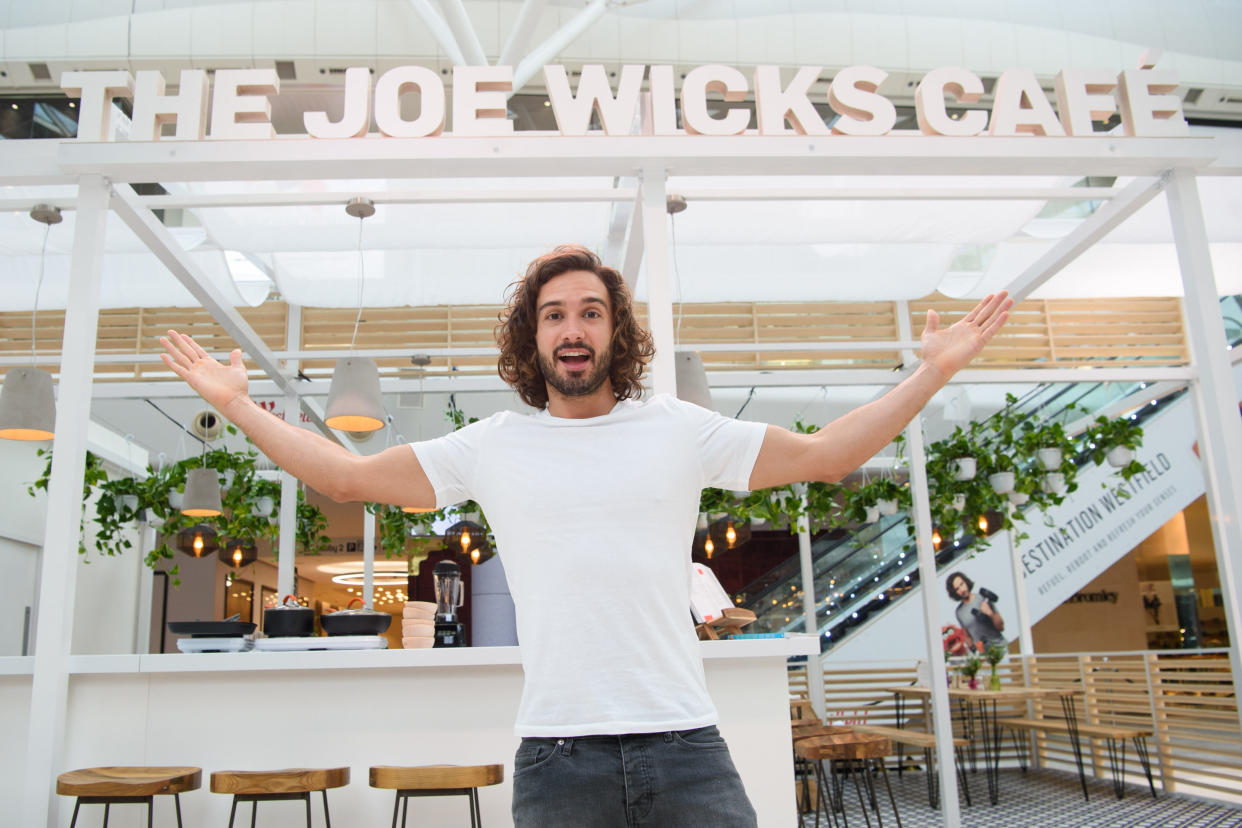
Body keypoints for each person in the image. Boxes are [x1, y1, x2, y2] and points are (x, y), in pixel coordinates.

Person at [160, 244, 1012, 827]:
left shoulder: (679, 427)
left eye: (592, 313)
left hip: (686, 745)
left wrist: (930, 372)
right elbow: (345, 478)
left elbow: (831, 456)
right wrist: (236, 406)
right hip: (559, 757)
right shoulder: (491, 446)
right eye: (556, 315)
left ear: (616, 332)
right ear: (533, 338)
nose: (574, 328)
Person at [946, 571, 1006, 652]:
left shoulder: (982, 598)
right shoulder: (959, 612)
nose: (962, 589)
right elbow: (967, 636)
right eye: (957, 589)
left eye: (962, 584)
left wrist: (990, 613)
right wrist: (973, 650)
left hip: (1001, 649)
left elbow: (1001, 627)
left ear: (966, 582)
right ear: (955, 593)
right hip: (983, 656)